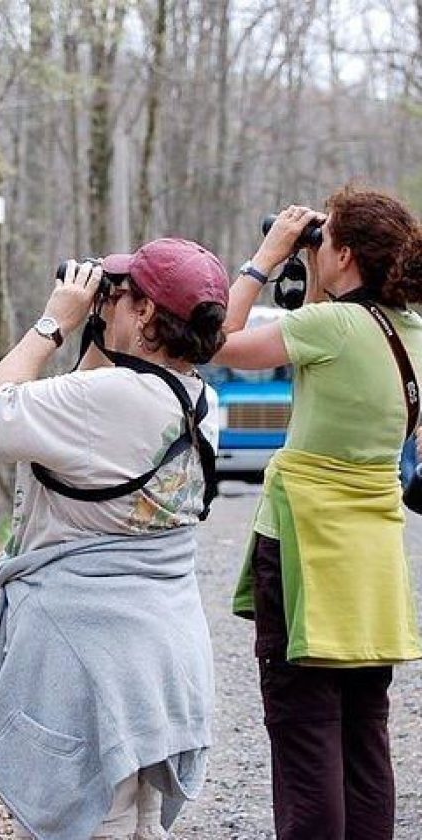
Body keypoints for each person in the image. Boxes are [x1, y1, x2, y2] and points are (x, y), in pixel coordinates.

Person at [0, 239, 229, 840]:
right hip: (162, 649)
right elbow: (76, 416)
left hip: (90, 654)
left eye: (124, 293)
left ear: (146, 315)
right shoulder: (199, 399)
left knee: (91, 820)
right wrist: (105, 330)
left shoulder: (109, 400)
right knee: (141, 822)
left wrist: (55, 321)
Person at [217, 185, 422, 840]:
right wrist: (313, 274)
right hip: (371, 563)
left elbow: (216, 340)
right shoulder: (411, 333)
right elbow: (321, 353)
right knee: (365, 735)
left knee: (306, 735)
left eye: (324, 239)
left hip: (304, 550)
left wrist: (266, 258)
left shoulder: (329, 327)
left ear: (347, 254)